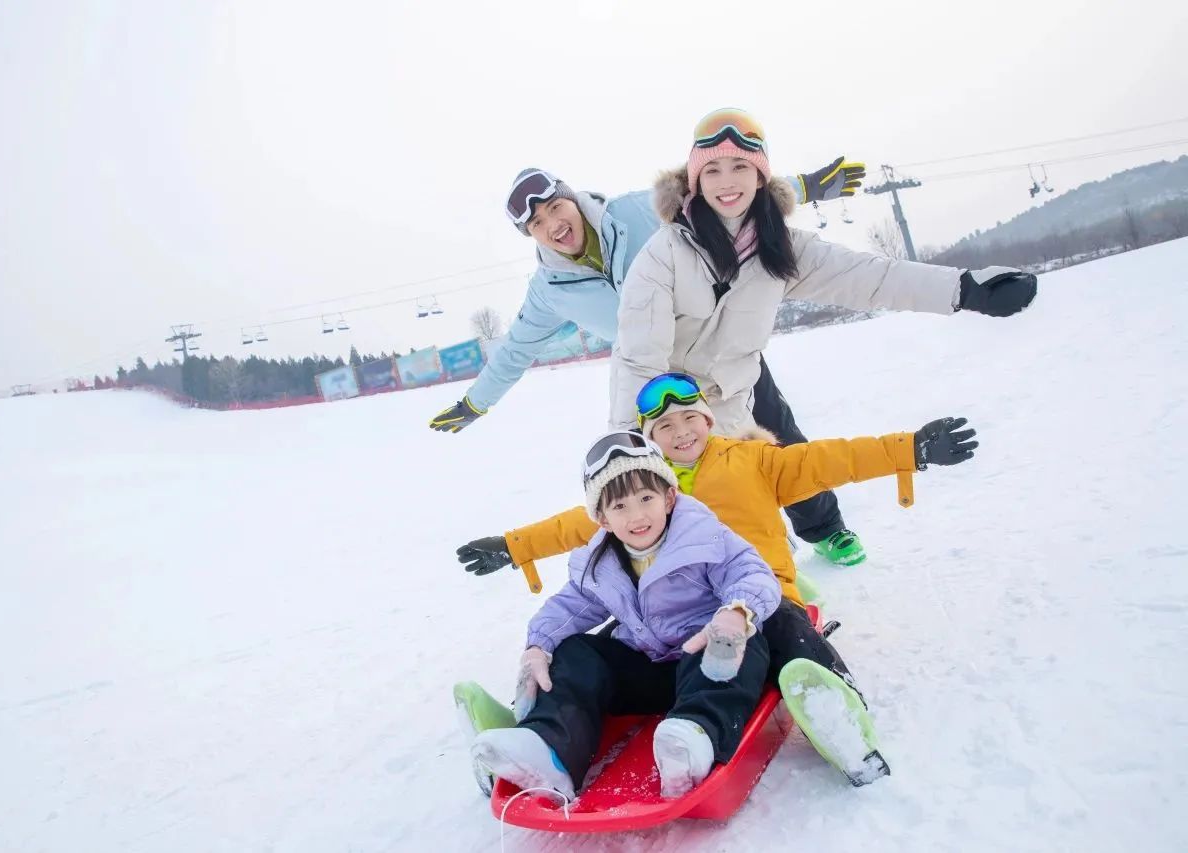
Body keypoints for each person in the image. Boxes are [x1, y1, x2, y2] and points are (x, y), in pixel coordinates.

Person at [459, 372, 980, 786]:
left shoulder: (751, 460)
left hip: (758, 600)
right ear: (652, 441)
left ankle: (839, 715)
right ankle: (536, 729)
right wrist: (513, 548)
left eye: (690, 417)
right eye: (665, 427)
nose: (681, 431)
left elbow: (832, 459)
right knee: (586, 647)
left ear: (708, 419)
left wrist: (910, 449)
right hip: (669, 627)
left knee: (784, 632)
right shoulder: (637, 490)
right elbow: (573, 529)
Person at [607, 108, 1036, 564]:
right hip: (670, 406)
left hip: (734, 398)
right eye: (711, 170)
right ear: (694, 181)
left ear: (760, 176)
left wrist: (963, 289)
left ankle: (801, 556)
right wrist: (626, 449)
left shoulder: (780, 247)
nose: (726, 181)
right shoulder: (664, 255)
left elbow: (870, 277)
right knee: (674, 512)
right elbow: (638, 357)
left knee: (763, 489)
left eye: (740, 167)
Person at [427, 154, 864, 430]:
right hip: (657, 377)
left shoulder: (636, 211)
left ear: (573, 201)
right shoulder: (550, 291)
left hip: (719, 342)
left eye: (554, 207)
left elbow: (723, 195)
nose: (552, 224)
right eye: (537, 224)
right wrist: (474, 403)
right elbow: (515, 351)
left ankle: (826, 528)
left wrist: (804, 187)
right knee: (690, 469)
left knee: (775, 428)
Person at [469, 431, 782, 800]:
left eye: (646, 498)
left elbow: (751, 572)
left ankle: (695, 738)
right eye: (619, 507)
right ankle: (548, 749)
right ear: (602, 518)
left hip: (706, 660)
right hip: (647, 670)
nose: (636, 516)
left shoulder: (704, 537)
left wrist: (736, 612)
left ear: (669, 497)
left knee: (744, 645)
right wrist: (537, 646)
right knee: (576, 650)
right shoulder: (600, 564)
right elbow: (569, 608)